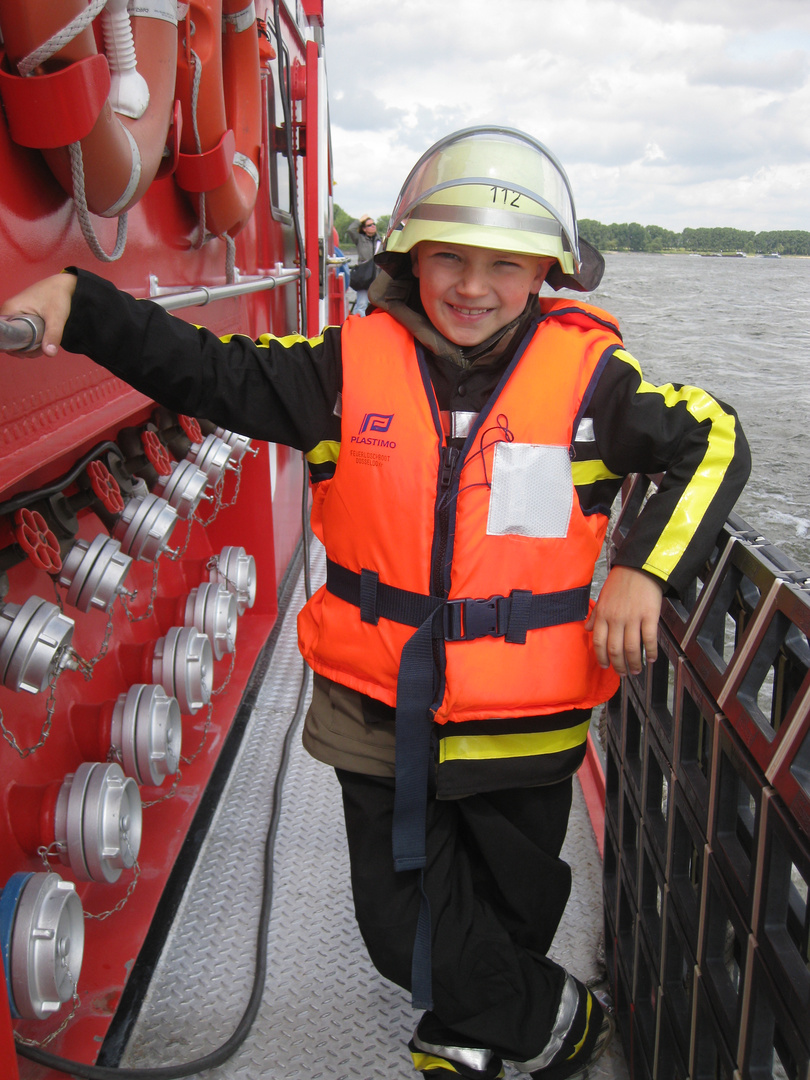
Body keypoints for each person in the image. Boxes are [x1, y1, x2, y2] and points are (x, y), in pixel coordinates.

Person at [1, 126, 750, 1080]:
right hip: (375, 710)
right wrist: (82, 302)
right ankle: (559, 1020)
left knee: (517, 898)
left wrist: (645, 569)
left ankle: (463, 1031)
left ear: (546, 275)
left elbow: (715, 438)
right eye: (450, 257)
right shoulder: (337, 370)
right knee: (400, 928)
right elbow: (205, 367)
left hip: (528, 720)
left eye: (504, 266)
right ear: (408, 257)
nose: (473, 286)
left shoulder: (597, 386)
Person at [347, 212, 382, 314]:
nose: (373, 226)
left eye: (374, 224)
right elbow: (351, 230)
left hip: (377, 277)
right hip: (364, 276)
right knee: (362, 304)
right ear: (364, 229)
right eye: (369, 225)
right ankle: (360, 326)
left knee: (376, 305)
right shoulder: (360, 239)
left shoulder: (380, 240)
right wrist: (360, 220)